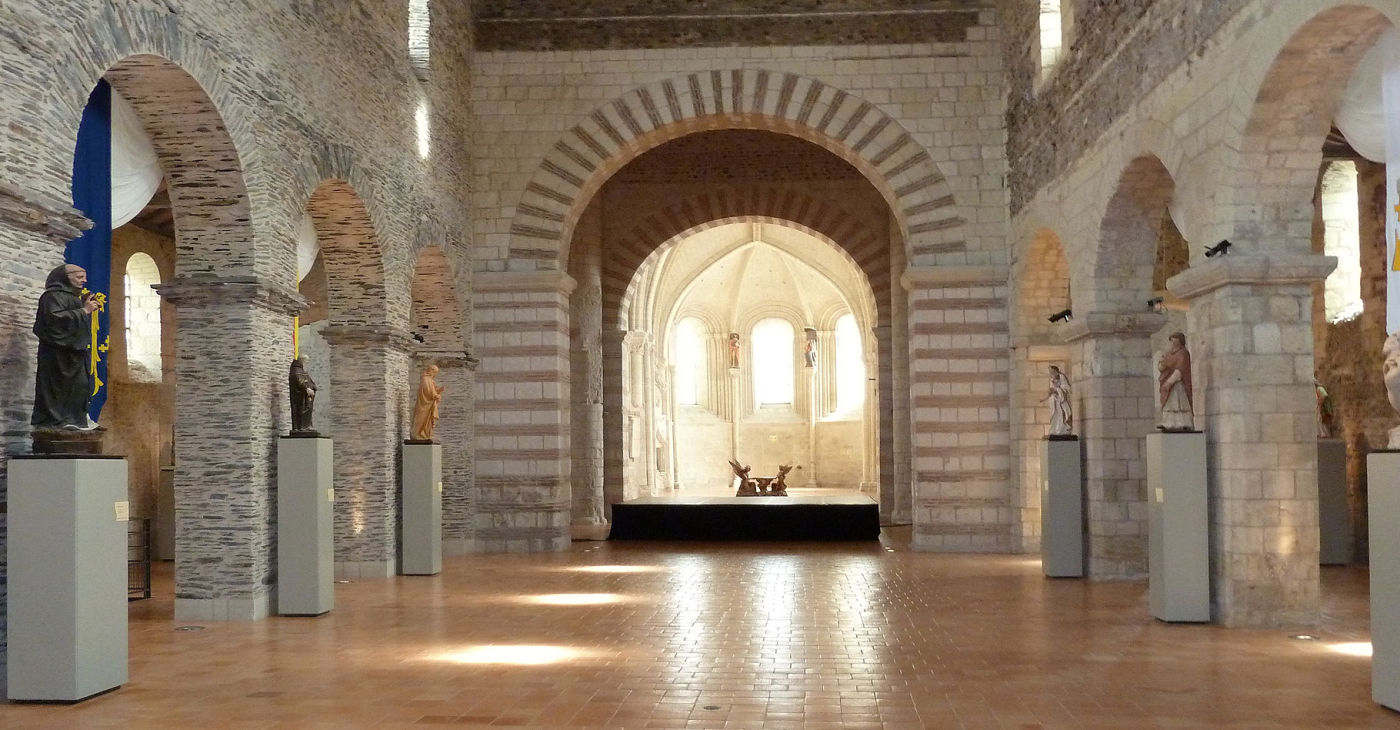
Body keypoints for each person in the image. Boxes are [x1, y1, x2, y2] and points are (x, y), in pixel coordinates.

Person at [32, 264, 99, 430]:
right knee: (57, 390)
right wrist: (83, 311)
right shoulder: (52, 296)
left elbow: (74, 322)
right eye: (79, 277)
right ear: (65, 277)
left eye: (84, 276)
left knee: (81, 387)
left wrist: (82, 305)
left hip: (75, 354)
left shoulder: (73, 297)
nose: (84, 280)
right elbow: (54, 322)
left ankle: (75, 420)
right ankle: (56, 422)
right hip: (57, 356)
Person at [1158, 332, 1194, 431]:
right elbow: (1162, 368)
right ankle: (1168, 423)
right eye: (1172, 340)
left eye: (1175, 340)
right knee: (1168, 404)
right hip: (1167, 381)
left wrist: (1170, 382)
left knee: (1179, 403)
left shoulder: (1183, 353)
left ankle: (1183, 423)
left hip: (1178, 383)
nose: (1173, 343)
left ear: (1180, 341)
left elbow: (1181, 369)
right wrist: (1162, 364)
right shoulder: (1168, 354)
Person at [411, 363, 445, 441]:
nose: (435, 374)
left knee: (428, 421)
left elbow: (432, 390)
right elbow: (428, 391)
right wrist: (436, 396)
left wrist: (439, 391)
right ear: (431, 371)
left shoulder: (430, 380)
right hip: (424, 404)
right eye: (435, 372)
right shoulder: (425, 379)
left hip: (429, 404)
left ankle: (426, 434)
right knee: (422, 418)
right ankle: (417, 434)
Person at [289, 356, 318, 434]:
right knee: (301, 410)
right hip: (299, 397)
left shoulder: (302, 370)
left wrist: (313, 386)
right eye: (307, 361)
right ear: (303, 361)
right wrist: (306, 389)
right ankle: (301, 427)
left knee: (308, 410)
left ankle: (307, 425)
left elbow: (308, 380)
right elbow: (298, 380)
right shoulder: (296, 370)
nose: (307, 363)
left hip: (306, 396)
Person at [1044, 365, 1073, 436]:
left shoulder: (1061, 377)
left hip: (1060, 399)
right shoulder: (1052, 379)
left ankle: (1061, 429)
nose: (1051, 373)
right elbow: (1051, 389)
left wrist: (1058, 390)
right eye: (1050, 372)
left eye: (1052, 371)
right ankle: (1055, 429)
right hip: (1054, 400)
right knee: (1054, 414)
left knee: (1061, 414)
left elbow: (1066, 387)